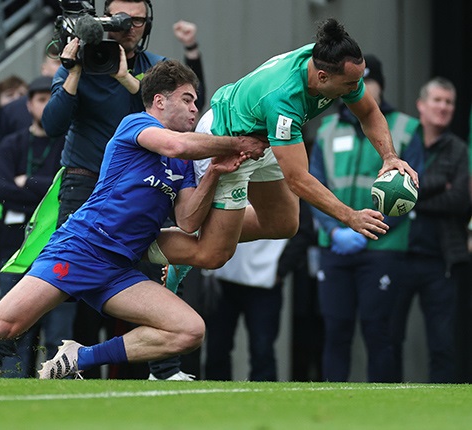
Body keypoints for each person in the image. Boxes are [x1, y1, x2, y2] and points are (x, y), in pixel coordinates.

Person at [0, 59, 268, 379]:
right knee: (0, 324)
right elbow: (179, 146)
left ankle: (77, 358)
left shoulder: (183, 164)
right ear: (160, 101)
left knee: (189, 330)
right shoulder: (136, 124)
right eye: (188, 100)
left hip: (119, 266)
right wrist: (232, 144)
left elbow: (189, 220)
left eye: (196, 102)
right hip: (81, 248)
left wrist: (214, 171)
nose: (195, 110)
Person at [154, 18, 419, 293]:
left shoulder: (327, 60)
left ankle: (209, 230)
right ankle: (139, 243)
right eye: (351, 84)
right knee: (214, 255)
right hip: (226, 140)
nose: (356, 89)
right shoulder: (284, 100)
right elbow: (298, 179)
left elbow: (369, 112)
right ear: (323, 78)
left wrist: (389, 156)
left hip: (265, 138)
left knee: (283, 223)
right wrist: (349, 216)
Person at [43, 0, 208, 381]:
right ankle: (4, 350)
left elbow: (166, 114)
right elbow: (52, 123)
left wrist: (124, 77)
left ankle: (162, 370)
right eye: (118, 19)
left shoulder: (156, 67)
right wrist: (74, 68)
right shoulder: (80, 60)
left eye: (136, 20)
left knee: (147, 274)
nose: (127, 26)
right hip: (85, 179)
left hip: (143, 185)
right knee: (59, 277)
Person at [309, 55, 421, 382]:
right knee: (336, 328)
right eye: (356, 84)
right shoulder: (327, 128)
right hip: (336, 246)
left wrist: (371, 230)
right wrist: (335, 229)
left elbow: (413, 191)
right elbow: (313, 184)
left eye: (369, 83)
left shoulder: (405, 128)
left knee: (379, 330)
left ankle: (384, 412)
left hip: (383, 249)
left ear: (380, 87)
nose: (363, 90)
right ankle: (332, 409)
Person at [0, 76, 69, 378]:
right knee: (10, 331)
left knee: (57, 333)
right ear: (28, 105)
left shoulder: (68, 143)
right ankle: (10, 391)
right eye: (40, 99)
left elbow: (66, 189)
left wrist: (28, 183)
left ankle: (59, 394)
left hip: (57, 247)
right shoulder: (12, 143)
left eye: (52, 99)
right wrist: (42, 192)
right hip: (14, 249)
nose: (46, 106)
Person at [389, 77, 470, 383]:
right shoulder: (402, 144)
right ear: (421, 106)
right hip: (399, 253)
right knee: (390, 336)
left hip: (441, 259)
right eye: (437, 100)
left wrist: (410, 198)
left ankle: (443, 412)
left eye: (449, 102)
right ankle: (389, 403)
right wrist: (437, 186)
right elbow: (388, 189)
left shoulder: (458, 149)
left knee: (442, 341)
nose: (444, 107)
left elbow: (460, 199)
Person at [203, 239, 287, 381]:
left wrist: (280, 269)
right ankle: (215, 398)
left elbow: (303, 231)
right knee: (216, 348)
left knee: (262, 350)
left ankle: (265, 400)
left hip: (265, 285)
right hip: (224, 281)